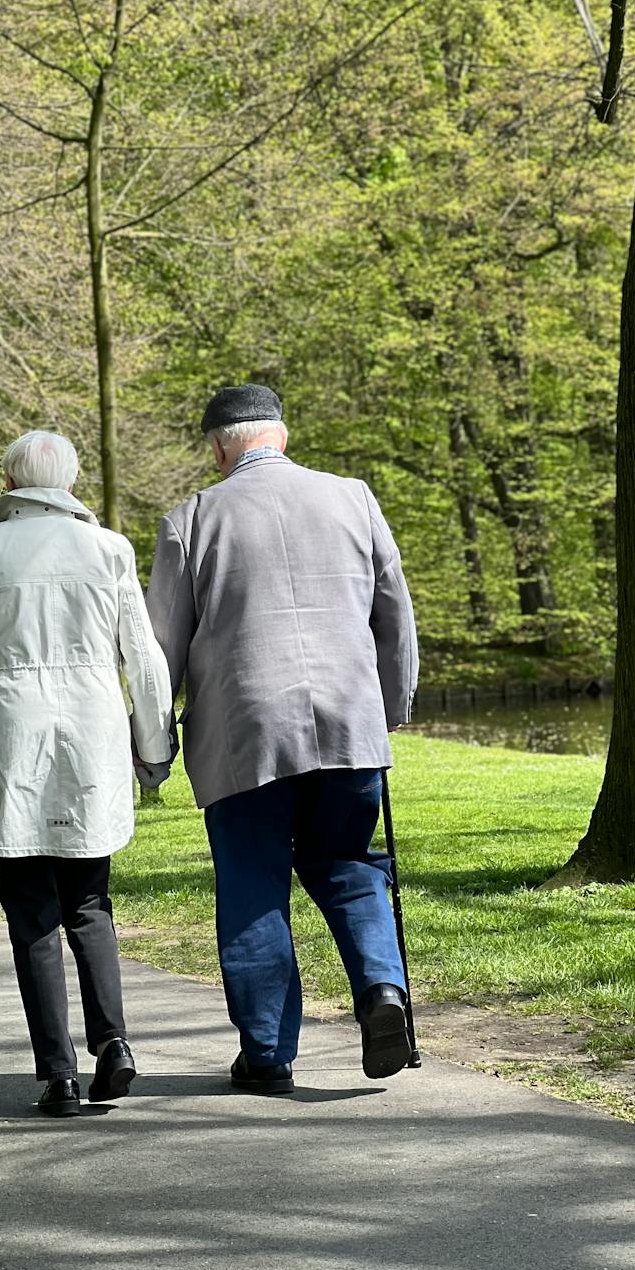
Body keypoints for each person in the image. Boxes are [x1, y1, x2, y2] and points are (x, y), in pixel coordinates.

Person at [144, 384, 419, 1094]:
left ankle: (267, 1053)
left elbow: (160, 649)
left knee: (253, 882)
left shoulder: (191, 519)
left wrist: (151, 745)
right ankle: (383, 991)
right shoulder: (353, 497)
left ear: (217, 447)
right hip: (348, 723)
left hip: (245, 732)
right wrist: (391, 705)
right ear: (282, 435)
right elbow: (395, 612)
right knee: (352, 865)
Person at [0, 430, 173, 1118]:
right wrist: (154, 746)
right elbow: (143, 659)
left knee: (31, 908)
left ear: (9, 483)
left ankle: (58, 1074)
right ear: (70, 484)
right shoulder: (108, 548)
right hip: (93, 733)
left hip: (12, 735)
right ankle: (114, 1044)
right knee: (90, 903)